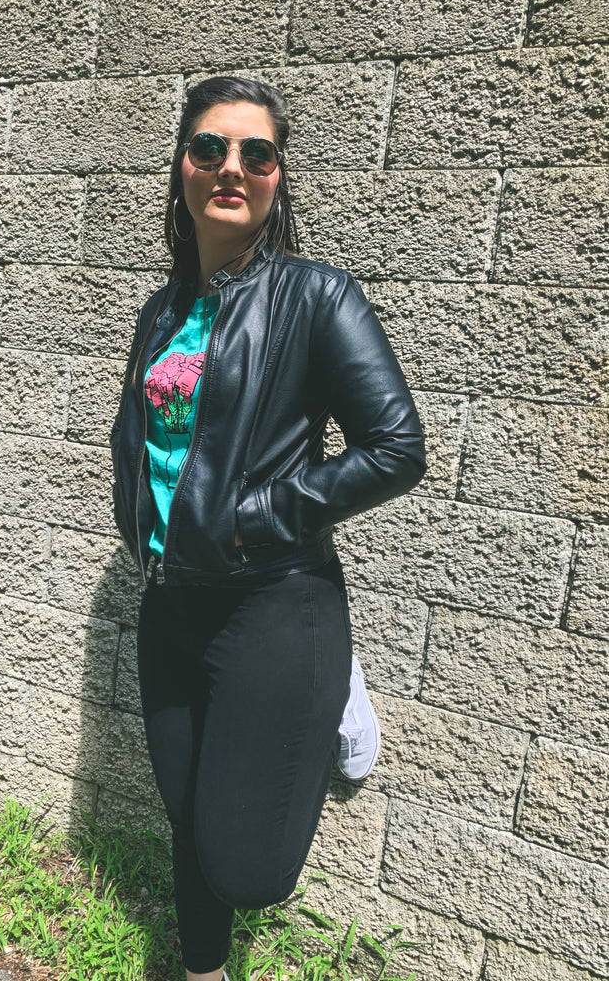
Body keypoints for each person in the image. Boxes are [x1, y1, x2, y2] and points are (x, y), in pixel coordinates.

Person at [110, 76, 426, 981]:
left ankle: (332, 678)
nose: (232, 168)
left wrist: (255, 518)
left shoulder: (318, 297)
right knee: (190, 826)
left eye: (257, 153)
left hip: (273, 602)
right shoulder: (161, 311)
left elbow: (396, 447)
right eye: (210, 147)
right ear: (181, 165)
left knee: (247, 867)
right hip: (171, 607)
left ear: (278, 177)